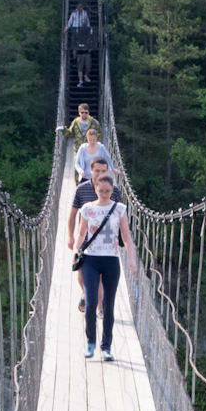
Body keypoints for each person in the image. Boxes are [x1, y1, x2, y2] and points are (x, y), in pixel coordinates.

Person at [75, 163, 136, 360]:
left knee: (108, 305)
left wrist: (132, 260)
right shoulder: (87, 209)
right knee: (92, 302)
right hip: (90, 261)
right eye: (101, 191)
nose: (104, 194)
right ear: (95, 189)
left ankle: (106, 347)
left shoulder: (119, 209)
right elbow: (82, 233)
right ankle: (91, 343)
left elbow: (126, 237)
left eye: (108, 191)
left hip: (111, 261)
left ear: (113, 191)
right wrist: (76, 250)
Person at [69, 151, 121, 313]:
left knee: (98, 277)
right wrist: (71, 237)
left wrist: (122, 238)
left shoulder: (115, 191)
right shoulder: (81, 190)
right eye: (97, 170)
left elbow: (121, 216)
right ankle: (86, 292)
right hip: (84, 238)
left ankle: (99, 309)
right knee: (80, 272)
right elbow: (72, 214)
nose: (100, 174)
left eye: (103, 171)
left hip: (105, 241)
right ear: (90, 170)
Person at [66, 2, 92, 84]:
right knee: (74, 47)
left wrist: (90, 31)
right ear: (77, 7)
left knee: (82, 45)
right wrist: (66, 28)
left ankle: (84, 75)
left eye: (81, 6)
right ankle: (74, 59)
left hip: (82, 32)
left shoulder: (85, 14)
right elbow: (70, 22)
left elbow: (87, 23)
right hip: (75, 32)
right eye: (79, 6)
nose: (80, 7)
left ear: (83, 7)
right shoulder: (74, 14)